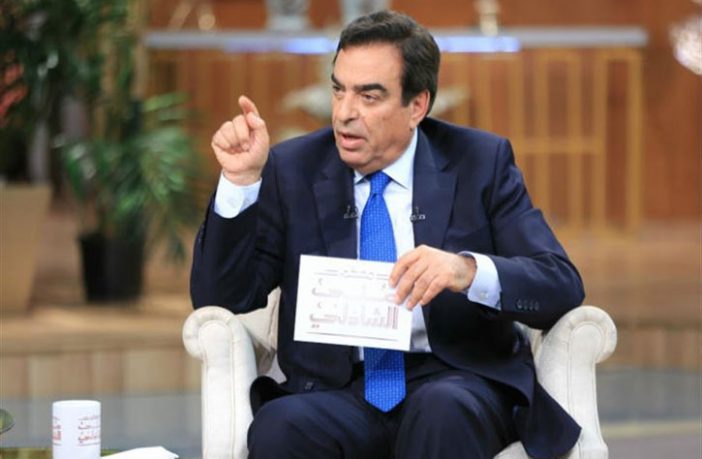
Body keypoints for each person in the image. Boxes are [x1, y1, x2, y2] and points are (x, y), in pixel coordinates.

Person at [191, 10, 584, 459]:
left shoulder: (479, 161)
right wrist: (240, 183)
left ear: (417, 105)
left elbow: (560, 284)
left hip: (452, 380)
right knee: (280, 426)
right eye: (338, 90)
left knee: (442, 409)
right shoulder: (293, 168)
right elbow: (221, 296)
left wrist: (467, 271)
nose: (344, 114)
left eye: (369, 96)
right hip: (337, 391)